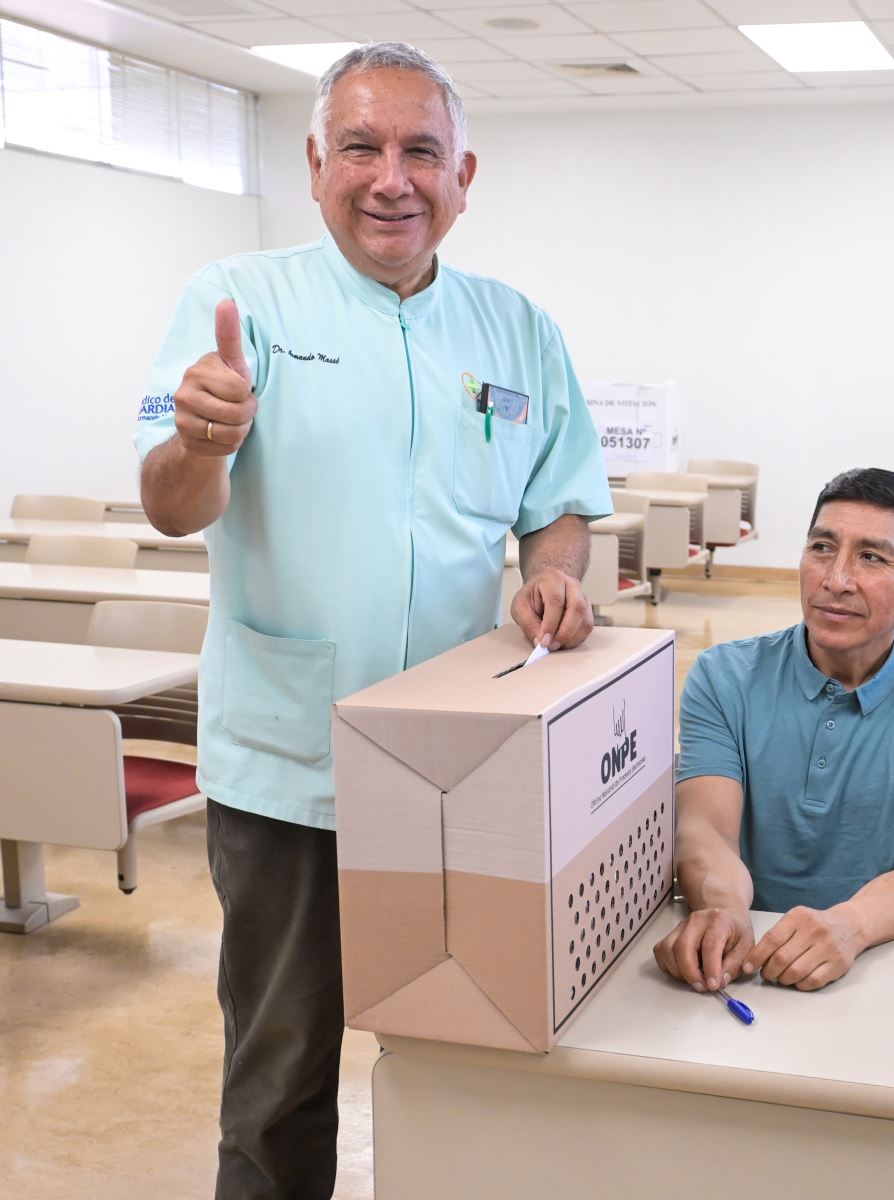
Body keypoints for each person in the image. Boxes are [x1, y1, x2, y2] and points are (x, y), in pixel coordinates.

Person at [134, 43, 609, 1198]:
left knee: (472, 1053)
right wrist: (202, 443)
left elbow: (560, 510)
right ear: (314, 165)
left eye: (419, 152)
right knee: (282, 1076)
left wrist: (550, 574)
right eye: (360, 147)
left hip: (468, 772)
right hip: (289, 769)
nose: (390, 177)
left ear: (464, 175)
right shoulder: (237, 303)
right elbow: (171, 508)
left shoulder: (517, 330)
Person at [654, 468, 894, 993]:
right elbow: (705, 828)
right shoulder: (725, 676)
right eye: (821, 548)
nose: (836, 579)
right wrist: (723, 908)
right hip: (746, 958)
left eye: (872, 557)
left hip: (886, 953)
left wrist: (850, 925)